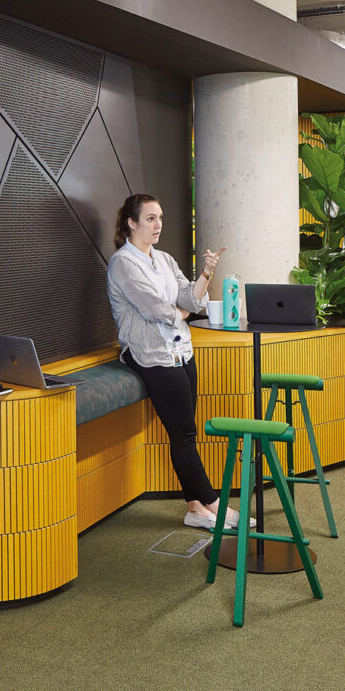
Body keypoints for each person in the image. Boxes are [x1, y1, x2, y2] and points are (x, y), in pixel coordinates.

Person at [107, 193, 246, 530]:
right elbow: (157, 310)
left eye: (160, 218)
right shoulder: (123, 263)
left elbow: (189, 298)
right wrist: (181, 312)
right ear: (132, 222)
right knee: (183, 433)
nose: (159, 225)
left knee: (185, 433)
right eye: (151, 218)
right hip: (150, 356)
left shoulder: (165, 259)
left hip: (182, 351)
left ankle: (195, 508)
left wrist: (206, 273)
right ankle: (213, 502)